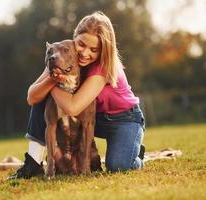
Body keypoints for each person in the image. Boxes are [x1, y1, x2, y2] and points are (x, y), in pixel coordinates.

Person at [8, 11, 145, 180]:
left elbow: (73, 108)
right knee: (41, 98)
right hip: (95, 118)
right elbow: (32, 97)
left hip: (125, 119)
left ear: (103, 50)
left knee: (118, 165)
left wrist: (53, 81)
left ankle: (136, 155)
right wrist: (53, 78)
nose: (84, 53)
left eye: (94, 49)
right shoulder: (62, 55)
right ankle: (33, 162)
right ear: (74, 40)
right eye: (81, 44)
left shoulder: (102, 67)